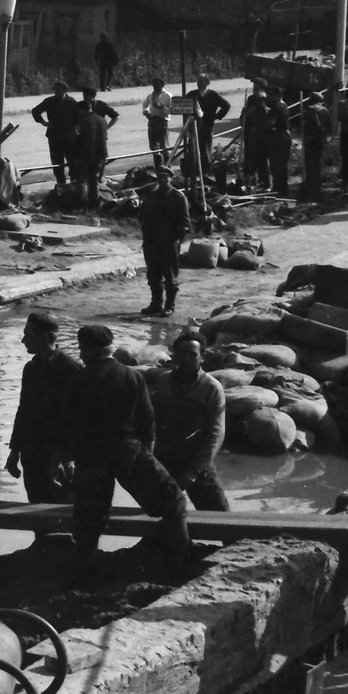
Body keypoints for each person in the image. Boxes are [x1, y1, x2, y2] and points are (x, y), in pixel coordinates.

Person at [65, 324, 189, 587]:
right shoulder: (131, 377)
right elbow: (148, 421)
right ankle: (178, 567)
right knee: (174, 503)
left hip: (91, 458)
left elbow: (68, 424)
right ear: (110, 348)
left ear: (87, 349)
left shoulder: (78, 379)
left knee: (89, 522)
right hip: (129, 452)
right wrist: (148, 455)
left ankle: (83, 577)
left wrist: (68, 457)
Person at [5, 312, 80, 505]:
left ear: (45, 337)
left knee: (63, 512)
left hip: (60, 456)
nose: (23, 340)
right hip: (33, 453)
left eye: (28, 336)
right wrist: (14, 451)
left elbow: (79, 417)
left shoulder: (71, 369)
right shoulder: (30, 368)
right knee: (36, 510)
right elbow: (23, 411)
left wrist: (69, 457)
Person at [151, 332, 228, 512]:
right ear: (174, 354)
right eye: (182, 353)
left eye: (192, 354)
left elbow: (216, 434)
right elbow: (151, 422)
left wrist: (194, 471)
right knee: (159, 513)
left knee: (221, 517)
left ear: (202, 357)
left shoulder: (212, 388)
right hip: (164, 461)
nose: (186, 358)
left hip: (196, 462)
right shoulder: (162, 381)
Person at [139, 166, 190, 317]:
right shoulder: (152, 195)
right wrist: (144, 228)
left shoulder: (178, 197)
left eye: (165, 178)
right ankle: (156, 304)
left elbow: (185, 223)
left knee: (169, 274)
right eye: (159, 178)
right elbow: (144, 215)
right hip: (151, 240)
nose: (162, 181)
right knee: (153, 273)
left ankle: (169, 306)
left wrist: (175, 239)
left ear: (170, 179)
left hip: (169, 241)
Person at [31, 80, 80, 186]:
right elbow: (35, 111)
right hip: (54, 136)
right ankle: (61, 186)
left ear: (65, 90)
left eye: (59, 89)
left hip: (69, 137)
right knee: (57, 164)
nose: (56, 92)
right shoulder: (49, 101)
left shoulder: (72, 102)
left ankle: (74, 186)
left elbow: (79, 117)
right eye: (55, 89)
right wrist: (43, 122)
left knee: (73, 164)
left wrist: (76, 129)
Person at [71, 97, 111, 210]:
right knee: (94, 180)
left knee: (82, 181)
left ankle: (83, 204)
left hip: (85, 154)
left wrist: (74, 155)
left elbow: (77, 138)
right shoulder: (102, 120)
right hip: (100, 155)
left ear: (83, 109)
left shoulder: (82, 121)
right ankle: (95, 203)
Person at [190, 74, 231, 173]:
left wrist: (216, 116)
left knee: (206, 149)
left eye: (201, 81)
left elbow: (226, 105)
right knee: (193, 148)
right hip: (194, 126)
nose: (199, 83)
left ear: (207, 83)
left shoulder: (213, 95)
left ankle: (206, 171)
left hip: (207, 126)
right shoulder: (192, 94)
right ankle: (194, 170)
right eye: (198, 81)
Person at [241, 83, 270, 190]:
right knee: (251, 163)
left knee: (264, 163)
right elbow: (243, 123)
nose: (259, 102)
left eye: (261, 100)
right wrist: (243, 115)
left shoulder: (269, 112)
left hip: (264, 142)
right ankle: (251, 184)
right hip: (252, 141)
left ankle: (266, 184)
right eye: (257, 100)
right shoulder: (250, 112)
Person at [300, 92, 329, 201]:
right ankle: (317, 188)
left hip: (311, 141)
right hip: (321, 140)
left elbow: (314, 124)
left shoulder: (312, 109)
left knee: (310, 165)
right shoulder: (325, 110)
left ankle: (312, 189)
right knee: (317, 165)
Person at [264, 92, 293, 199]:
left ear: (277, 95)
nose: (268, 97)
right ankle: (283, 188)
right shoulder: (284, 104)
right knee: (282, 164)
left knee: (275, 163)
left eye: (270, 95)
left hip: (278, 136)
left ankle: (278, 188)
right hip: (286, 134)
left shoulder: (276, 106)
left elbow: (269, 123)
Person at [141, 77, 172, 167]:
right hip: (152, 121)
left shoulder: (167, 95)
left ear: (162, 85)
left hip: (162, 121)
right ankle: (158, 168)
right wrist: (146, 112)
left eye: (158, 85)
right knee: (154, 147)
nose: (155, 87)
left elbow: (171, 109)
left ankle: (167, 168)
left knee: (164, 146)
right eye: (154, 85)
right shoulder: (150, 96)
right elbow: (144, 105)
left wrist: (161, 107)